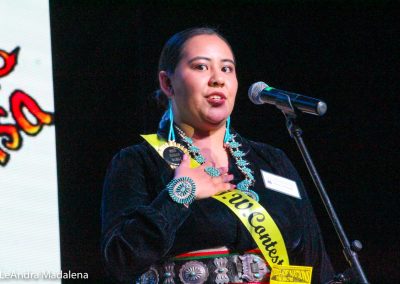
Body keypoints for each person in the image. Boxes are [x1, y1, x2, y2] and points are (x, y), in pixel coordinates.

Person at [101, 27, 334, 284]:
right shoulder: (138, 162)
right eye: (201, 67)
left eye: (227, 69)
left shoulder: (273, 161)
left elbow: (314, 262)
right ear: (167, 83)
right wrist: (181, 192)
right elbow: (120, 259)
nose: (217, 79)